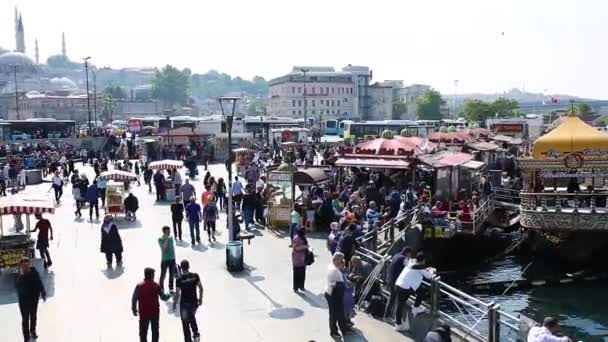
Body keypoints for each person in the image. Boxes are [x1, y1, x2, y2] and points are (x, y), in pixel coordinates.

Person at [394, 252, 435, 331]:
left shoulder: (411, 262)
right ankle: (416, 307)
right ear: (423, 260)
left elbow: (420, 268)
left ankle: (398, 324)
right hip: (405, 287)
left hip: (398, 284)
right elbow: (429, 276)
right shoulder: (420, 267)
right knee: (422, 291)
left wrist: (426, 269)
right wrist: (433, 270)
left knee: (400, 305)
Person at [131, 267, 170, 342]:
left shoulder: (139, 286)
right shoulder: (156, 285)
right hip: (154, 313)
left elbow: (134, 298)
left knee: (143, 333)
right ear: (151, 275)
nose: (154, 276)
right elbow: (163, 297)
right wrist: (169, 295)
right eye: (153, 274)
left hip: (143, 313)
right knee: (155, 332)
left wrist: (134, 309)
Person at [16, 257, 46, 342]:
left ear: (30, 264)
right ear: (21, 266)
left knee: (33, 317)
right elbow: (20, 289)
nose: (25, 267)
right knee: (25, 319)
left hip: (33, 300)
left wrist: (42, 291)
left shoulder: (34, 272)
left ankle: (32, 331)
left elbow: (39, 282)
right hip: (24, 302)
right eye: (23, 265)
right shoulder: (20, 277)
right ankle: (26, 337)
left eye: (27, 264)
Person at [174, 259, 203, 342]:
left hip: (184, 305)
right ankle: (196, 335)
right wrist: (200, 299)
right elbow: (201, 288)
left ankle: (189, 339)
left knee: (185, 323)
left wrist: (175, 304)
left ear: (181, 268)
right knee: (191, 317)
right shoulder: (195, 276)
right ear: (188, 267)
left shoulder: (179, 280)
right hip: (194, 303)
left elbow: (178, 294)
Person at [325, 252, 351, 338]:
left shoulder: (334, 267)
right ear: (335, 260)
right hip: (333, 294)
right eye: (341, 260)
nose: (342, 262)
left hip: (336, 294)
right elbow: (339, 283)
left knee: (340, 313)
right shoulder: (334, 270)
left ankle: (343, 329)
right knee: (334, 314)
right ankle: (333, 332)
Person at [384, 247, 412, 320]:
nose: (410, 256)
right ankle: (387, 316)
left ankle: (388, 315)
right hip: (396, 281)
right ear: (407, 253)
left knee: (392, 298)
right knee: (393, 298)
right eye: (410, 254)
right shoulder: (404, 258)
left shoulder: (396, 255)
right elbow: (410, 267)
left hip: (390, 279)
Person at [158, 226, 176, 293]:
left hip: (172, 259)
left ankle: (171, 288)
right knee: (163, 274)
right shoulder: (160, 239)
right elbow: (164, 249)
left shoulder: (171, 238)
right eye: (167, 232)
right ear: (164, 232)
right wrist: (166, 239)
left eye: (169, 231)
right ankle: (161, 287)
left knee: (172, 274)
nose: (168, 233)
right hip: (165, 259)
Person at [292, 227, 309, 292]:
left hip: (303, 258)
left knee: (302, 273)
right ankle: (295, 287)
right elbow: (295, 248)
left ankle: (301, 286)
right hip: (297, 258)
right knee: (296, 273)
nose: (305, 232)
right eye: (304, 231)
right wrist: (304, 247)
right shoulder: (296, 238)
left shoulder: (303, 237)